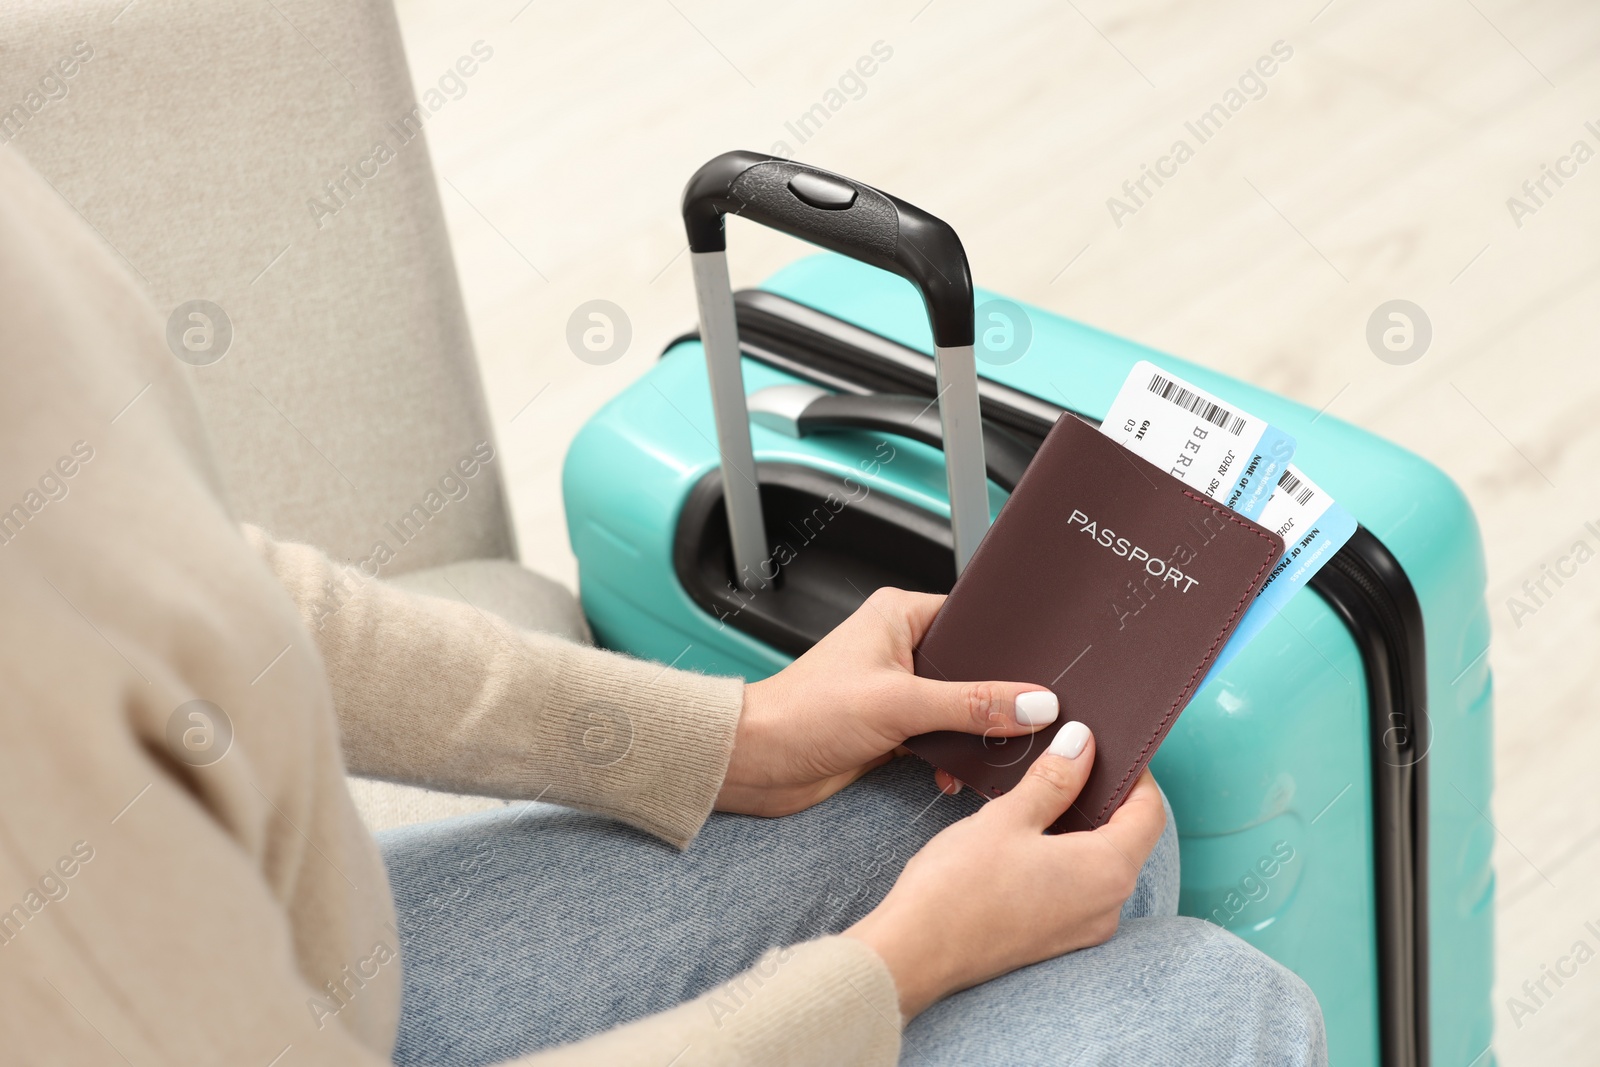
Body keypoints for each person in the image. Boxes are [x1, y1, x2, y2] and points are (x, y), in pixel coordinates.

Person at [0, 147, 1325, 1066]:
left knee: (1061, 827)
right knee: (1222, 1012)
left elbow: (193, 581)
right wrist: (889, 973)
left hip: (285, 954)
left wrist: (726, 737)